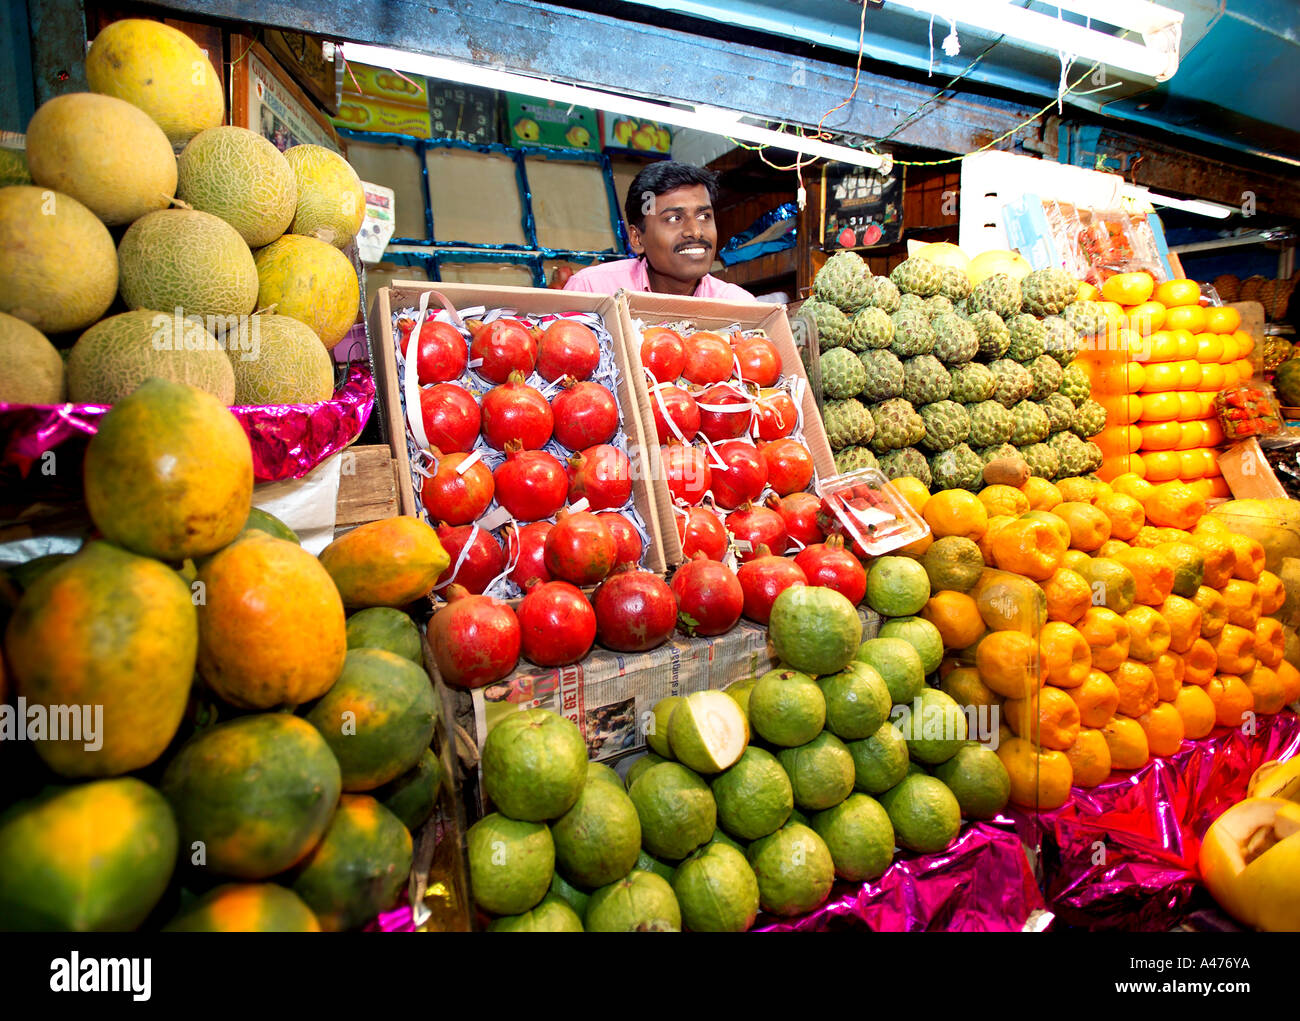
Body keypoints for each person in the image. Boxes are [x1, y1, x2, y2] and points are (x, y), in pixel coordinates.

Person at [564, 161, 754, 301]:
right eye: (674, 218)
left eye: (704, 216)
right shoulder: (591, 292)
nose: (695, 232)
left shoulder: (739, 306)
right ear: (637, 238)